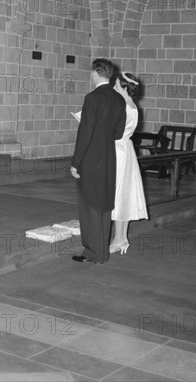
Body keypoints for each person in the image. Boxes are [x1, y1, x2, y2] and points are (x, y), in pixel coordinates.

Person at [70, 58, 127, 264]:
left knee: (89, 203)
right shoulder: (119, 99)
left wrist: (76, 162)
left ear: (95, 72)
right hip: (108, 156)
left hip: (91, 157)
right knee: (104, 202)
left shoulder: (92, 98)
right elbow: (119, 133)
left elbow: (84, 133)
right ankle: (101, 251)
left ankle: (94, 252)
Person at [110, 72, 149, 254]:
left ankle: (119, 239)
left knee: (118, 195)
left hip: (118, 150)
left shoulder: (122, 107)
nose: (114, 88)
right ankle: (121, 238)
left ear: (125, 88)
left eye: (116, 85)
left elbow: (113, 131)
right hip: (127, 150)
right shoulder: (132, 106)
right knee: (124, 194)